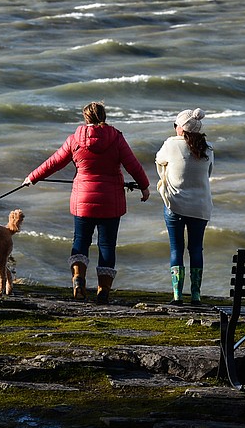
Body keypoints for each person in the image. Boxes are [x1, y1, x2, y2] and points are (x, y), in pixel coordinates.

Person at [23, 101, 151, 304]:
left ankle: (78, 281)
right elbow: (133, 165)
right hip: (111, 201)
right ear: (104, 116)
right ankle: (103, 291)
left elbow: (54, 162)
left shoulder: (75, 139)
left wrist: (32, 177)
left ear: (86, 118)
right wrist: (144, 186)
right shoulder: (116, 138)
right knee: (107, 245)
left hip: (83, 199)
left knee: (80, 241)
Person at [155, 107, 213, 305]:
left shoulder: (172, 144)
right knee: (196, 249)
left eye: (175, 125)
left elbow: (159, 160)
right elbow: (209, 174)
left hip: (175, 204)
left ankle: (177, 296)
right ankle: (196, 296)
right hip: (201, 207)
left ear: (181, 128)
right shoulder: (209, 149)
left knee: (176, 249)